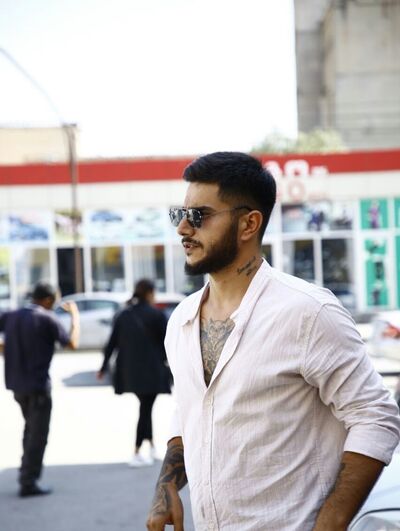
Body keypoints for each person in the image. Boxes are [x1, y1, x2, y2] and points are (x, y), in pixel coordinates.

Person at [146, 152, 400, 531]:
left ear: (249, 224)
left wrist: (331, 522)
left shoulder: (308, 312)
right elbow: (189, 410)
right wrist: (166, 487)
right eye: (179, 214)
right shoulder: (181, 320)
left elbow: (375, 416)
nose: (183, 228)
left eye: (199, 215)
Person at [0, 281, 80, 497]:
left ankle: (25, 473)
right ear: (47, 300)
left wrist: (7, 349)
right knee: (38, 435)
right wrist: (74, 315)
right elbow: (72, 344)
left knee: (30, 430)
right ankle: (28, 481)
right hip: (37, 387)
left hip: (16, 385)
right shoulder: (47, 318)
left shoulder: (12, 315)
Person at [97, 279, 171, 467]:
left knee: (146, 407)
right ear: (149, 293)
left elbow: (111, 343)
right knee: (146, 409)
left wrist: (103, 367)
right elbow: (169, 343)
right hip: (152, 371)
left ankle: (151, 446)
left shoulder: (123, 314)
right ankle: (137, 451)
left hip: (129, 372)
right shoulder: (156, 315)